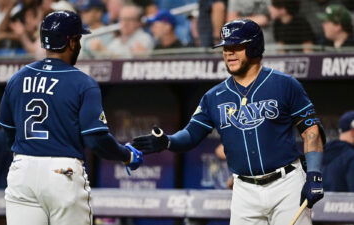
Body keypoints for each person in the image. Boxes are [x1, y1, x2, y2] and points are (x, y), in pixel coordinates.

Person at [133, 19, 325, 225]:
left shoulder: (284, 84)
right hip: (244, 190)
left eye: (236, 47)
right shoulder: (214, 96)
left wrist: (314, 174)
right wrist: (167, 142)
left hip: (286, 184)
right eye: (225, 48)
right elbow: (190, 135)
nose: (228, 53)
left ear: (254, 47)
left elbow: (311, 131)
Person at [0, 10, 143, 225]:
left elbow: (8, 130)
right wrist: (126, 155)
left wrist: (28, 155)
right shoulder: (83, 83)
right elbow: (96, 139)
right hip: (62, 171)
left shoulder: (17, 78)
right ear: (72, 42)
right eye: (78, 39)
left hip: (22, 169)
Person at [323, 111, 354, 192]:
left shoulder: (320, 154)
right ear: (353, 132)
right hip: (347, 204)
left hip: (322, 204)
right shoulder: (351, 156)